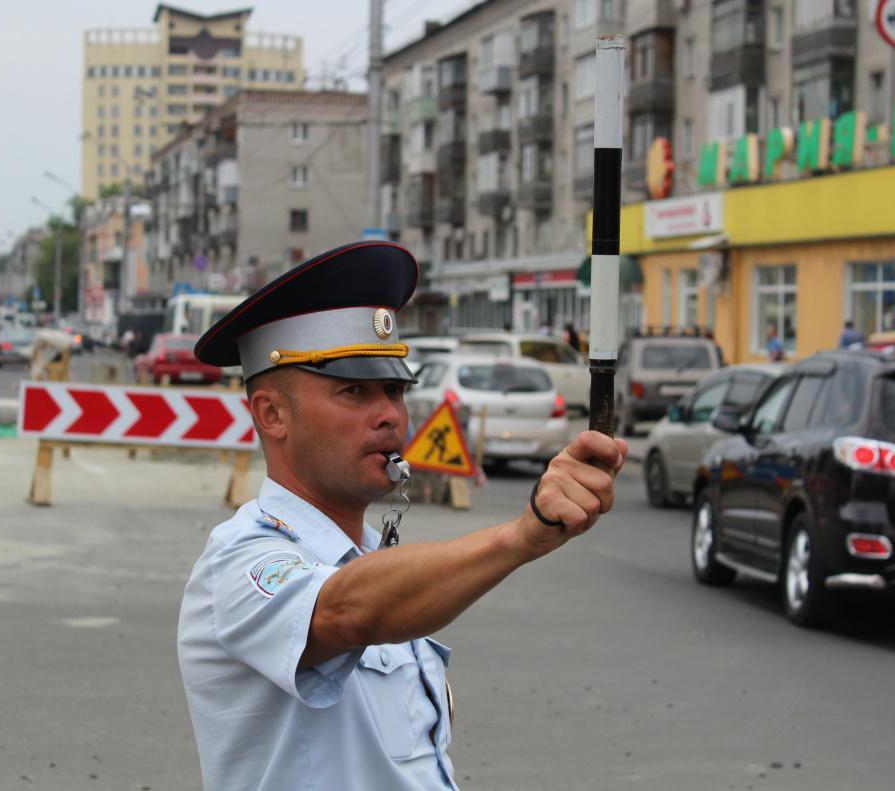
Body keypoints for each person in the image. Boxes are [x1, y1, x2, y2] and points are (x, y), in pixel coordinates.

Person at [177, 242, 628, 791]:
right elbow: (344, 610)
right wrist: (521, 536)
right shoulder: (241, 559)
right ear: (272, 414)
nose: (389, 414)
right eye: (354, 391)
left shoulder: (378, 564)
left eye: (394, 389)